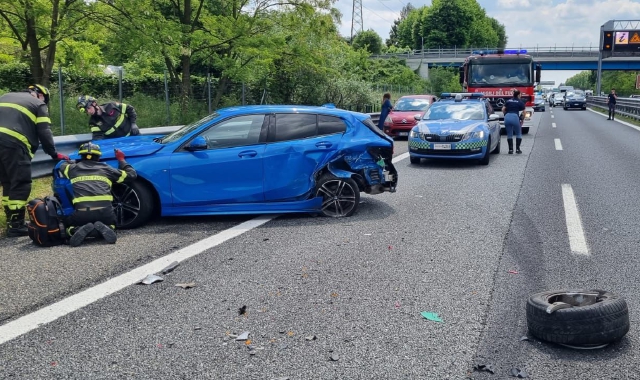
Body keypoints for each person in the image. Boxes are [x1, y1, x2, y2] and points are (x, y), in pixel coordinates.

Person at [0, 84, 69, 237]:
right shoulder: (39, 104)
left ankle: (12, 221)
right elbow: (44, 132)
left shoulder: (5, 96)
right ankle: (16, 226)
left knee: (7, 182)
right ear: (41, 95)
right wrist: (53, 154)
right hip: (14, 144)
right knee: (20, 183)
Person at [59, 142, 137, 247]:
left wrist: (75, 161)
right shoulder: (106, 169)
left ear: (81, 156)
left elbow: (62, 165)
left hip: (82, 214)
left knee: (66, 224)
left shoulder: (72, 169)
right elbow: (132, 175)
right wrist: (121, 159)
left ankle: (75, 230)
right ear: (99, 157)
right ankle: (107, 229)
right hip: (105, 213)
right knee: (113, 223)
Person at [76, 95, 140, 140]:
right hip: (120, 144)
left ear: (94, 103)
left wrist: (133, 123)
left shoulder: (111, 105)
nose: (89, 111)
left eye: (89, 108)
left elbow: (129, 109)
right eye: (86, 110)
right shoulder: (93, 122)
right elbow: (98, 136)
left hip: (134, 135)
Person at [502, 89, 526, 154]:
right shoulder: (520, 102)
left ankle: (510, 150)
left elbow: (503, 109)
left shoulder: (508, 101)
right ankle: (518, 149)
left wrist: (505, 114)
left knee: (509, 134)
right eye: (520, 94)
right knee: (518, 133)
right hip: (515, 117)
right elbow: (524, 112)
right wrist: (522, 119)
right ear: (518, 95)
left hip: (507, 117)